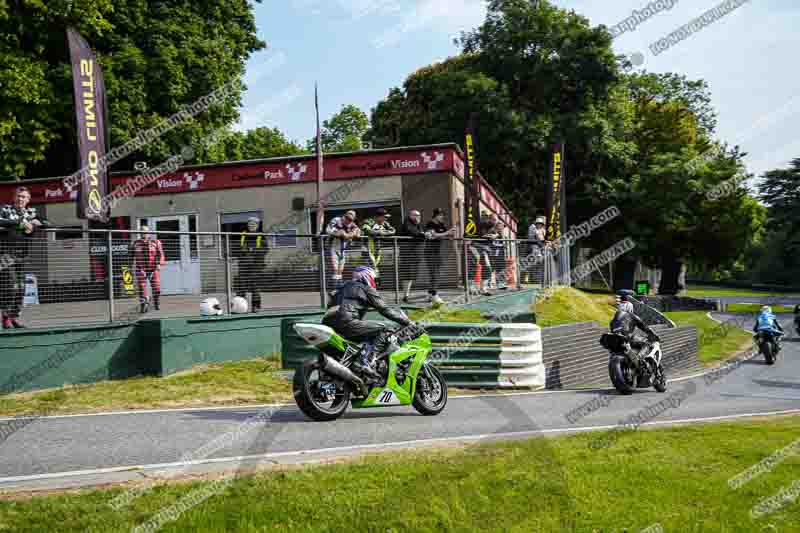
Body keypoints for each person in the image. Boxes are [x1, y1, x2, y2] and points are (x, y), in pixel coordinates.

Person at [322, 266, 413, 381]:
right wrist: (407, 322)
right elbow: (385, 309)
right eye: (374, 279)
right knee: (384, 329)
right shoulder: (365, 288)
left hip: (328, 324)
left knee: (361, 341)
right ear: (367, 276)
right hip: (347, 323)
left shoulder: (339, 288)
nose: (375, 283)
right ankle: (364, 361)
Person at [0, 186, 49, 328]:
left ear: (28, 199)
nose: (20, 199)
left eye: (23, 197)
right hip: (5, 253)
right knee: (11, 286)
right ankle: (5, 317)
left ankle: (13, 317)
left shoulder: (31, 212)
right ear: (14, 197)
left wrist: (36, 223)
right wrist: (19, 223)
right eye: (18, 196)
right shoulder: (5, 209)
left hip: (22, 255)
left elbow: (48, 223)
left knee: (21, 288)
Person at [130, 225, 165, 314]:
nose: (143, 233)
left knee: (156, 288)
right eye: (141, 231)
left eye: (145, 231)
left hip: (153, 269)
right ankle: (144, 305)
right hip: (141, 269)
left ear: (148, 232)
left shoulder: (156, 242)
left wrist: (159, 264)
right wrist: (131, 267)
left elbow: (161, 255)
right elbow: (130, 257)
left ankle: (156, 302)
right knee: (142, 288)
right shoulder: (135, 243)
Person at [424, 208, 456, 304]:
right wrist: (447, 233)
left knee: (437, 273)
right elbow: (433, 235)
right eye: (441, 215)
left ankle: (430, 294)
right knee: (434, 273)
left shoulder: (441, 225)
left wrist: (451, 235)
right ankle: (434, 294)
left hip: (437, 252)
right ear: (436, 215)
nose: (443, 217)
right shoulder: (430, 223)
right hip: (430, 252)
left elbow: (445, 234)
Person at [237, 216, 268, 312]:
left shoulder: (261, 235)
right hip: (243, 263)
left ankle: (256, 307)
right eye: (250, 223)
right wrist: (243, 252)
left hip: (256, 264)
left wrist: (253, 251)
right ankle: (240, 307)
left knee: (255, 286)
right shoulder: (243, 234)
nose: (251, 225)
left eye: (254, 224)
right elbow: (237, 247)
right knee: (241, 285)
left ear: (257, 225)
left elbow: (265, 249)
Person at [360, 207, 396, 286]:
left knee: (376, 268)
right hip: (367, 249)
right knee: (371, 268)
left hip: (377, 249)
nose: (385, 219)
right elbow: (368, 231)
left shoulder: (385, 223)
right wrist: (381, 232)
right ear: (378, 216)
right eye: (384, 217)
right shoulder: (368, 221)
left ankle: (374, 287)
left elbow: (393, 231)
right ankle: (370, 286)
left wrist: (382, 233)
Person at [325, 210, 361, 289]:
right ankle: (332, 289)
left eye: (351, 219)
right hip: (332, 248)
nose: (348, 221)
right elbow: (328, 230)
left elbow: (358, 232)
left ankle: (338, 289)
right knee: (334, 269)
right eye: (347, 218)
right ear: (344, 216)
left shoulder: (352, 224)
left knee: (340, 270)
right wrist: (339, 233)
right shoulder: (336, 220)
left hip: (342, 249)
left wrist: (349, 234)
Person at [400, 209, 428, 303]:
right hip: (408, 254)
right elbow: (412, 232)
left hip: (416, 254)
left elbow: (422, 231)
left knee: (411, 276)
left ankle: (406, 295)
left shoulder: (418, 224)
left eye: (419, 215)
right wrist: (422, 235)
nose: (418, 217)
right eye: (416, 215)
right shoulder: (407, 223)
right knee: (407, 275)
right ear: (410, 215)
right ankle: (405, 296)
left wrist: (423, 233)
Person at [489, 221, 508, 290]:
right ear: (497, 226)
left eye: (503, 227)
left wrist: (503, 237)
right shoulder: (492, 232)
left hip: (501, 254)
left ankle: (501, 284)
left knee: (501, 269)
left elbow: (505, 244)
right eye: (501, 226)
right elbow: (492, 241)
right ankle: (489, 284)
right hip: (493, 254)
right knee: (491, 269)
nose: (502, 228)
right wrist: (497, 235)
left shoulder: (502, 234)